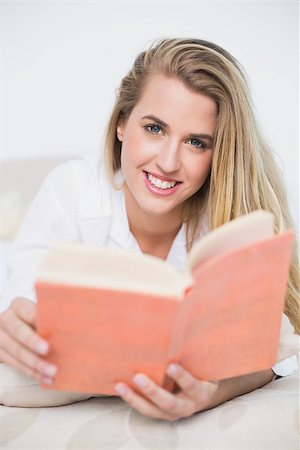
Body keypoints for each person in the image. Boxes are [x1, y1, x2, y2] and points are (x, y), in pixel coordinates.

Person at [0, 37, 299, 421]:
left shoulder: (229, 219)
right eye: (155, 129)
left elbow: (282, 348)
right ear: (122, 123)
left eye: (196, 142)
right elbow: (19, 351)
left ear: (218, 152)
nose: (169, 162)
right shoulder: (72, 192)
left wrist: (211, 392)